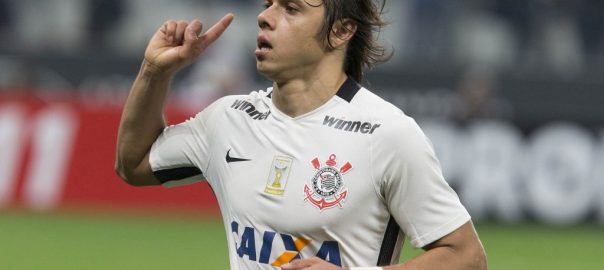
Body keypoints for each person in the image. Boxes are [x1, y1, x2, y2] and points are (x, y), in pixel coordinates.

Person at [115, 0, 487, 269]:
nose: (264, 17)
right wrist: (154, 71)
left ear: (341, 31)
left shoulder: (387, 133)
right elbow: (134, 164)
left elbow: (466, 257)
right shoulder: (227, 118)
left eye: (290, 8)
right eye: (268, 4)